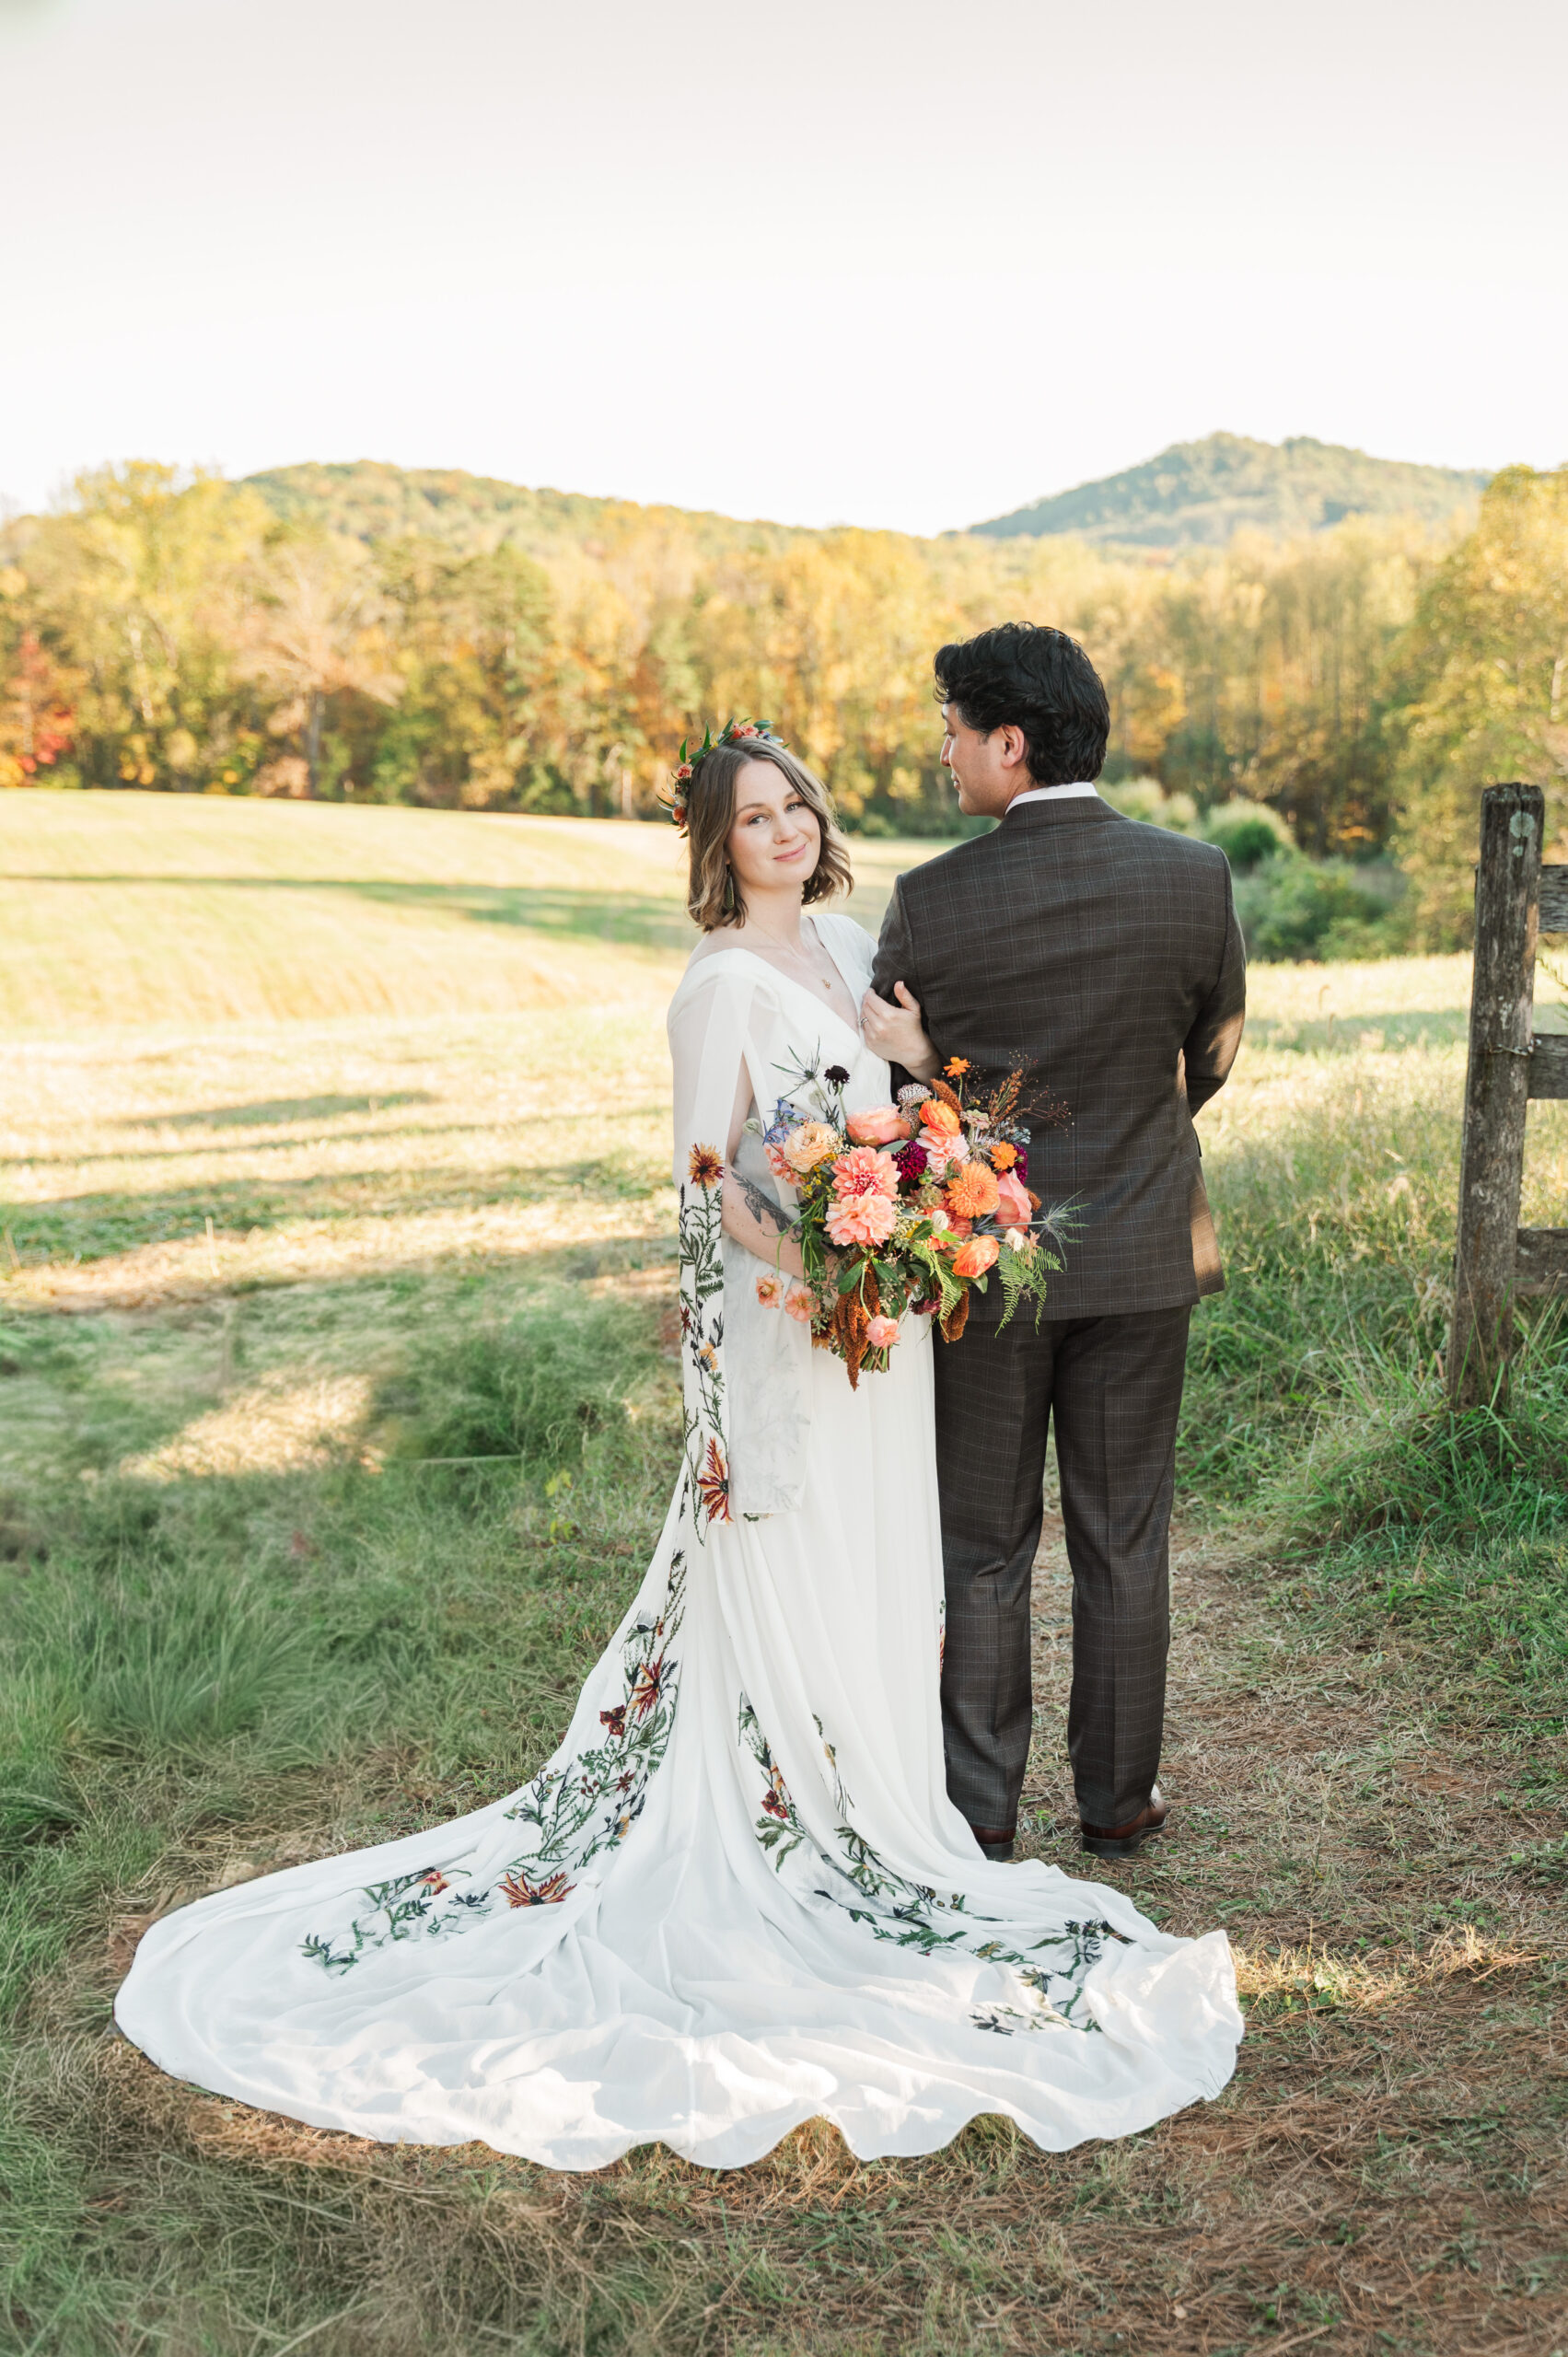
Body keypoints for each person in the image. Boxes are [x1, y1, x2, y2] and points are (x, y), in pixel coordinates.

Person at [114, 716, 1241, 2171]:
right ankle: (808, 1814)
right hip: (798, 1326)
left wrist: (910, 1098)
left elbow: (893, 1118)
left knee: (895, 1552)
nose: (781, 829)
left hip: (881, 1328)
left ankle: (883, 1792)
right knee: (800, 1548)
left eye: (794, 806)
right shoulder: (718, 986)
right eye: (752, 815)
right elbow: (715, 1180)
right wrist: (825, 1270)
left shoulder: (848, 954)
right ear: (716, 845)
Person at [864, 624, 1246, 1867]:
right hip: (1142, 1256)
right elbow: (1213, 1058)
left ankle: (979, 1811)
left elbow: (907, 1097)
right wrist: (1131, 1143)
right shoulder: (1194, 877)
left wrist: (985, 1131)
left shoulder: (932, 899)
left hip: (985, 1268)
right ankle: (1119, 1805)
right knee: (1123, 1536)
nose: (944, 753)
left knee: (981, 1547)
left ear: (1010, 744)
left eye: (953, 732)